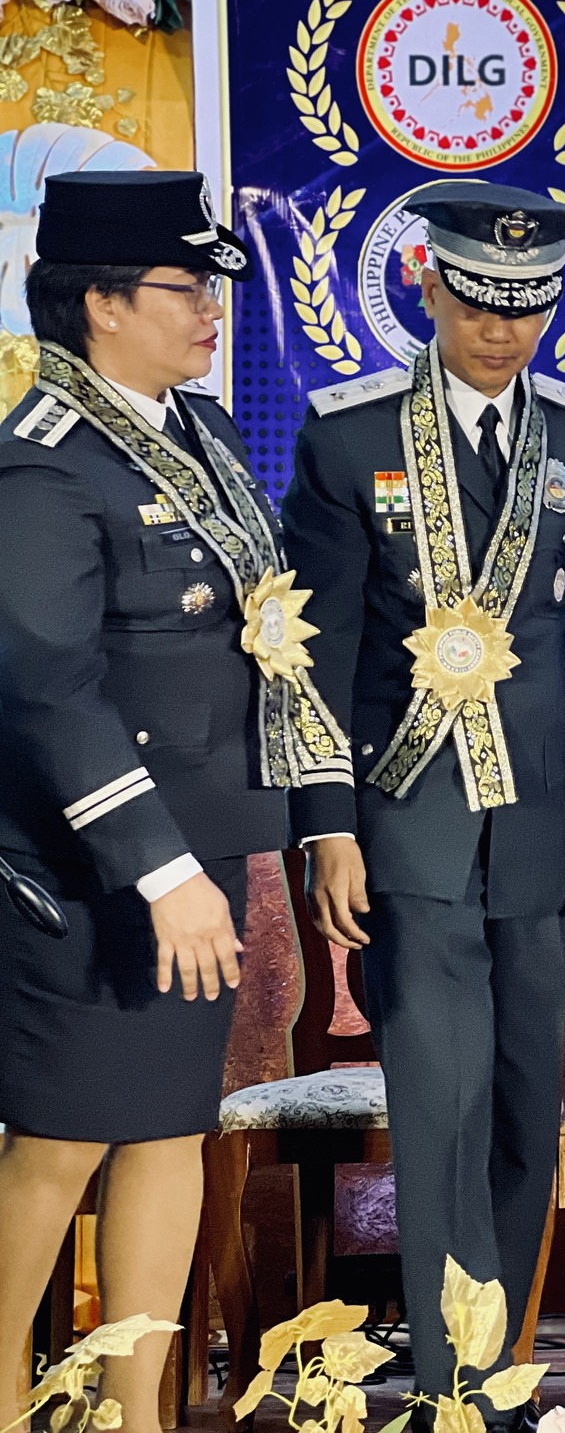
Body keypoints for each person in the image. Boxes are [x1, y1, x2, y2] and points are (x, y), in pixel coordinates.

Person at [281, 183, 565, 1419]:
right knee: (435, 1101)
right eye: (482, 302)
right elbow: (318, 652)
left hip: (545, 832)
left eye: (529, 305)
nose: (504, 331)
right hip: (407, 826)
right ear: (428, 285)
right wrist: (327, 822)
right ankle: (458, 1389)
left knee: (520, 1107)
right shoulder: (347, 437)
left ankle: (491, 1364)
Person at [0, 172, 348, 1432]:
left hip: (192, 856)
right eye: (184, 288)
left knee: (163, 1129)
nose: (211, 312)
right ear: (98, 302)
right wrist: (158, 867)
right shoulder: (44, 462)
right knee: (60, 1143)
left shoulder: (188, 432)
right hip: (94, 871)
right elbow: (51, 682)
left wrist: (309, 818)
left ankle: (133, 1408)